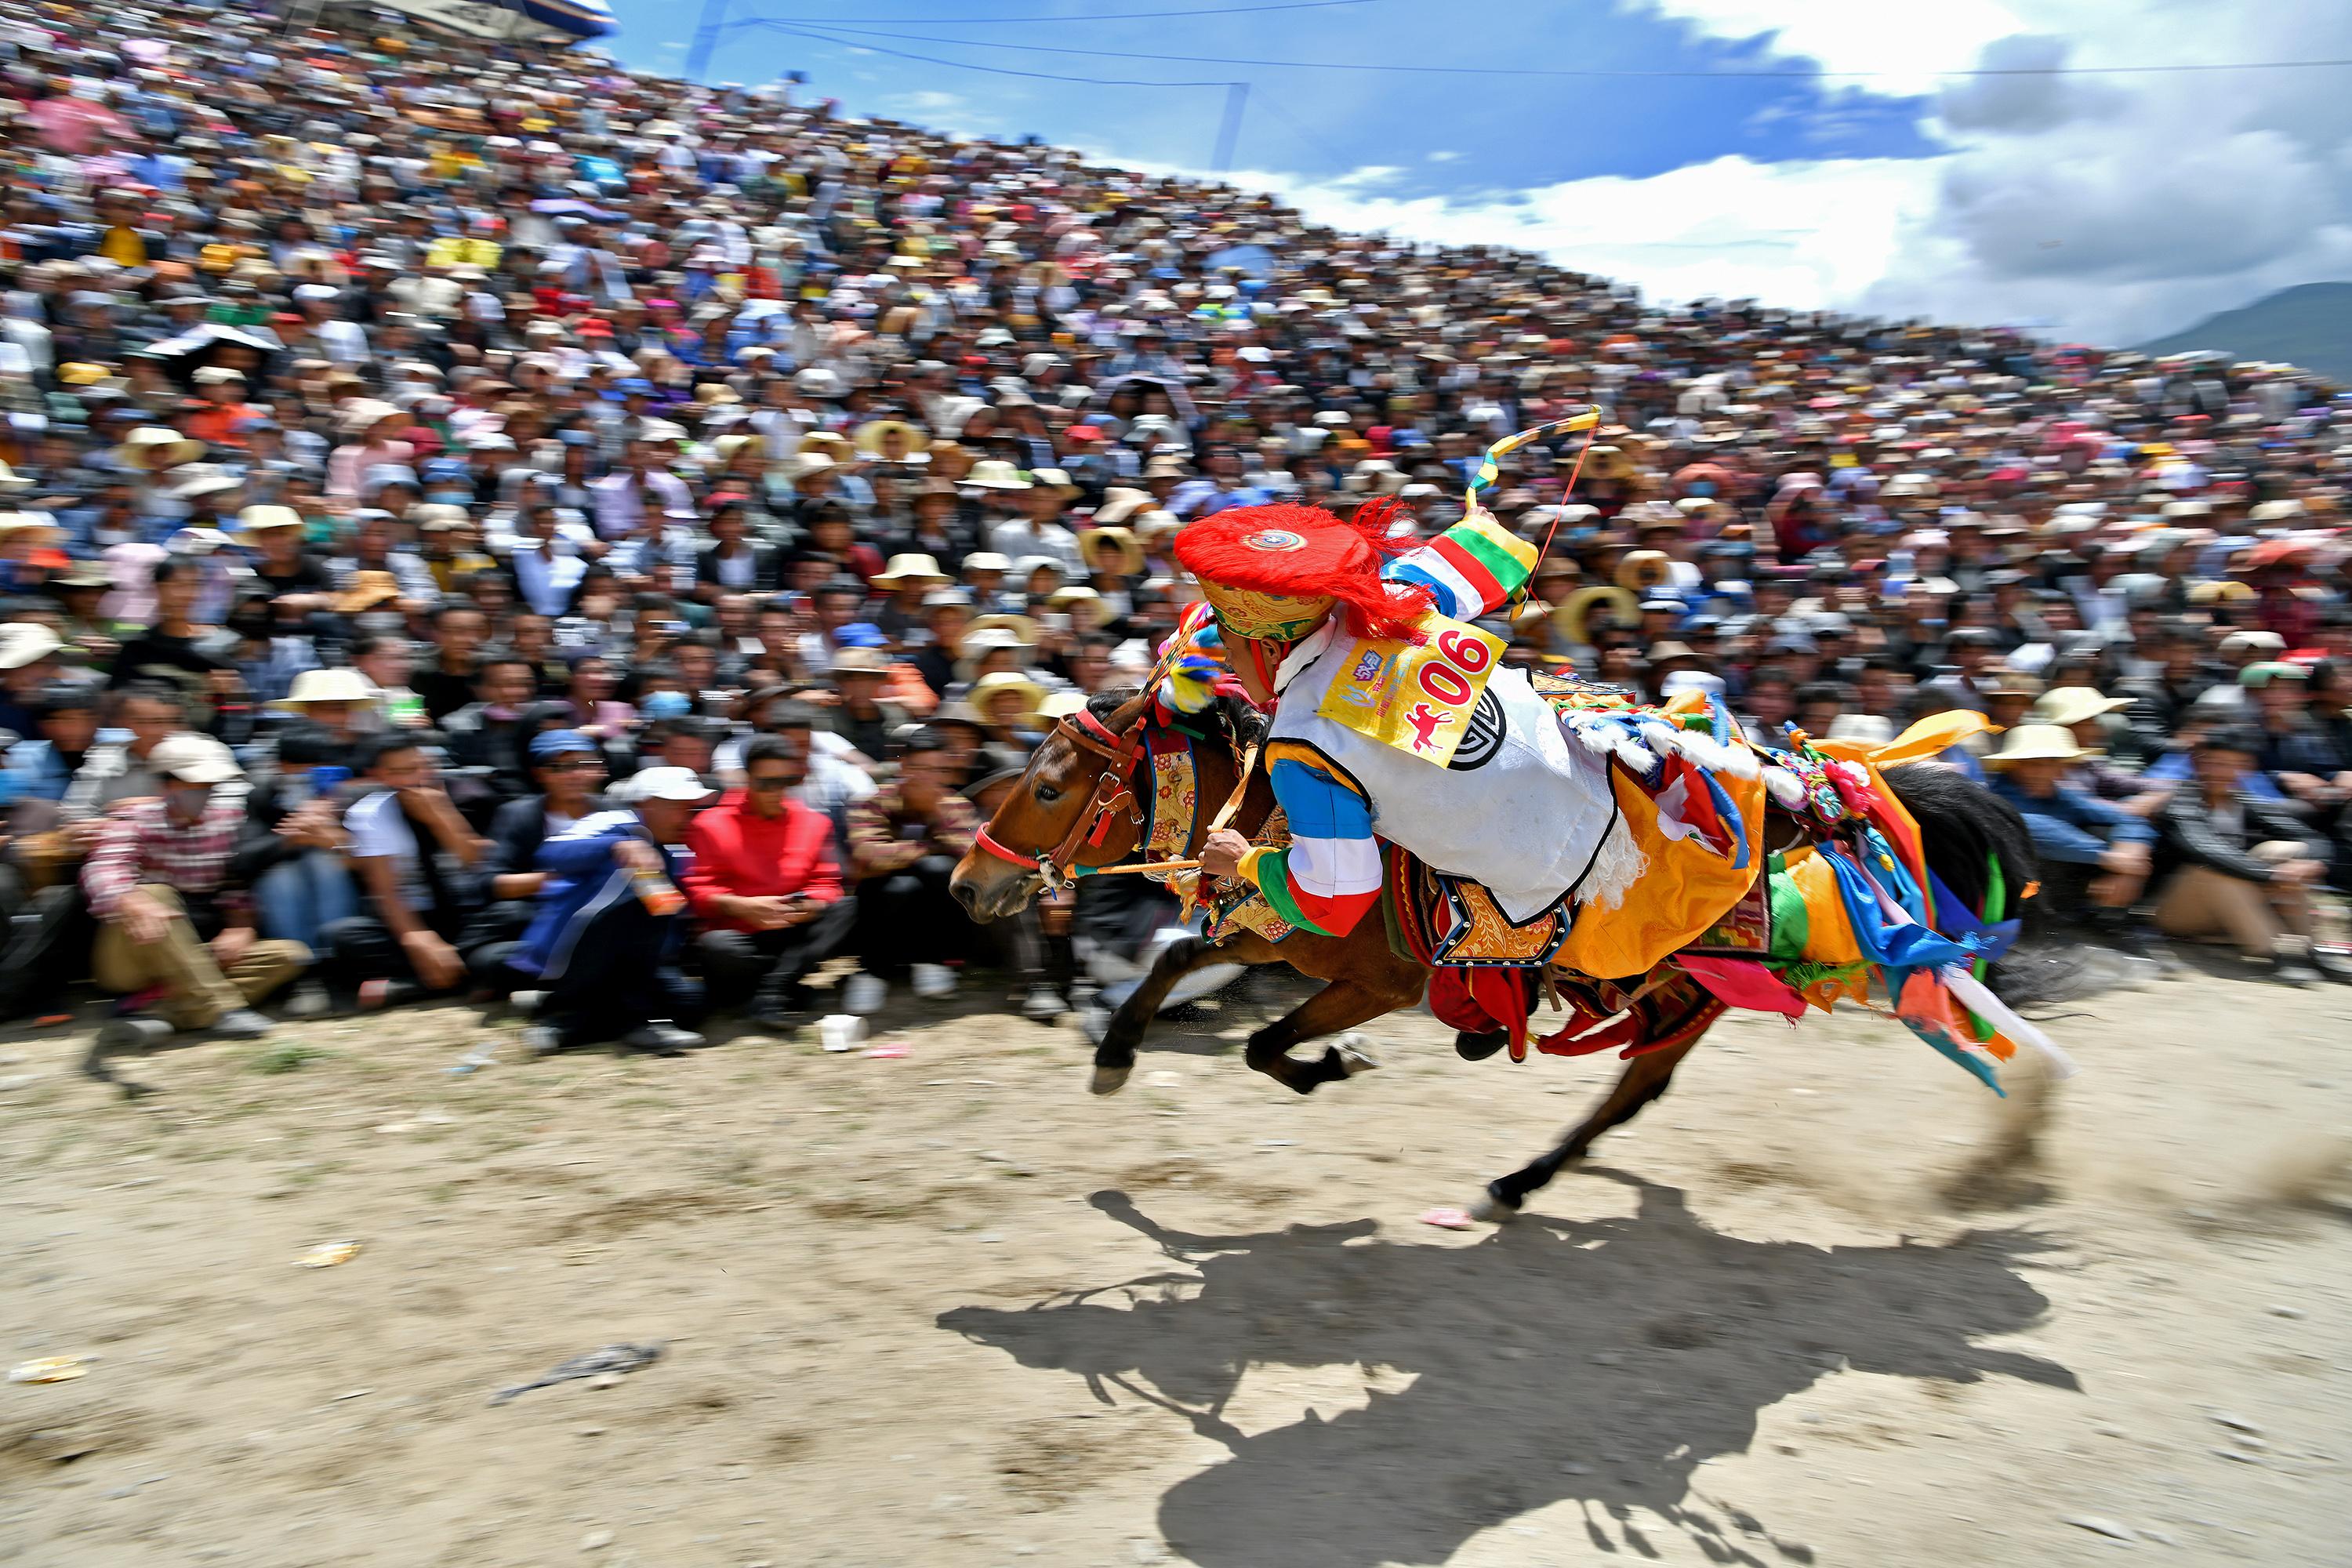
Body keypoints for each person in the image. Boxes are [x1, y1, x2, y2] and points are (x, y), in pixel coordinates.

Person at [1177, 494, 1614, 939]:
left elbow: (1334, 901)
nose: (1229, 666)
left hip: (1576, 878)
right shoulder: (1387, 604)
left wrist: (1244, 861)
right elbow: (1481, 557)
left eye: (1230, 653)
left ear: (1269, 649)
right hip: (1611, 771)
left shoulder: (1303, 745)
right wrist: (1478, 524)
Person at [83, 734, 310, 1051]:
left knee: (290, 954)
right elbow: (103, 867)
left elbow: (234, 883)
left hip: (194, 950)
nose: (203, 794)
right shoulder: (134, 821)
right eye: (194, 785)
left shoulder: (227, 822)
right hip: (132, 954)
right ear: (166, 785)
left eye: (208, 786)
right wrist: (129, 900)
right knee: (156, 895)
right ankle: (222, 1009)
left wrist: (239, 926)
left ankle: (156, 1013)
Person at [510, 766, 713, 1055]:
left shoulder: (676, 847)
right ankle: (583, 1016)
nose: (686, 816)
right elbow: (553, 853)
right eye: (676, 806)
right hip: (570, 949)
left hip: (630, 965)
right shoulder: (616, 822)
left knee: (691, 1003)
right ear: (646, 803)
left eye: (689, 808)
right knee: (636, 884)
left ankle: (566, 1013)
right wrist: (618, 845)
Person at [682, 735, 855, 1032]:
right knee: (716, 945)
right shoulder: (710, 824)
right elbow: (699, 890)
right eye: (766, 783)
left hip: (794, 928)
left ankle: (771, 993)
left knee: (848, 907)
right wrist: (741, 906)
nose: (777, 791)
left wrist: (811, 903)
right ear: (747, 779)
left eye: (786, 781)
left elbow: (828, 883)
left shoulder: (814, 822)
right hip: (742, 933)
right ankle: (784, 990)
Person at [2152, 727, 2348, 985]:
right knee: (2212, 871)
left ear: (2246, 768)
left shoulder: (2245, 801)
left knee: (2284, 851)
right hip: (2176, 912)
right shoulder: (2179, 802)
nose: (2223, 772)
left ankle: (2313, 949)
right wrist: (2271, 875)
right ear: (2197, 764)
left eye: (2233, 765)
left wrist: (2311, 864)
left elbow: (2312, 838)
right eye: (2216, 763)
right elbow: (2205, 848)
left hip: (2227, 909)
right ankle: (2277, 951)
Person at [321, 734, 491, 1007]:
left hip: (472, 912)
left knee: (514, 916)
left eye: (417, 768)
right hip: (417, 913)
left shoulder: (472, 795)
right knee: (345, 935)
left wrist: (441, 817)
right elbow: (385, 890)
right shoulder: (370, 812)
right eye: (398, 772)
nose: (413, 779)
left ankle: (413, 986)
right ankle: (475, 977)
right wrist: (416, 938)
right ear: (379, 776)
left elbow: (478, 862)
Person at [1982, 723, 2158, 942]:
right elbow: (2027, 825)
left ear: (2062, 768)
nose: (2041, 772)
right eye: (2032, 764)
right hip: (2011, 898)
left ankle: (2096, 917)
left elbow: (2127, 818)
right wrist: (2108, 857)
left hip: (2056, 894)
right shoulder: (1994, 798)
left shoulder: (2062, 798)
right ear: (2013, 766)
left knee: (2106, 830)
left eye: (2050, 764)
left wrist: (2129, 861)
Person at [843, 728, 978, 1013]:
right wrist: (927, 847)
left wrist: (935, 815)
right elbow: (869, 855)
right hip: (879, 902)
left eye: (939, 770)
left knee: (941, 870)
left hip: (933, 906)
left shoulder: (953, 805)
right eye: (921, 768)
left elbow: (972, 853)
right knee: (902, 885)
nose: (930, 777)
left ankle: (932, 960)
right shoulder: (870, 802)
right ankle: (872, 971)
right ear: (904, 766)